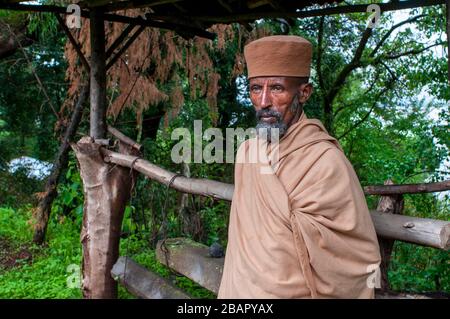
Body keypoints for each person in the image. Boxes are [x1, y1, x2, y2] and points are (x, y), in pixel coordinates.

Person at [218, 35, 381, 299]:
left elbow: (355, 255)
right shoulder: (248, 152)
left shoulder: (326, 161)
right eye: (256, 89)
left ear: (304, 93)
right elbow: (242, 241)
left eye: (277, 89)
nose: (263, 102)